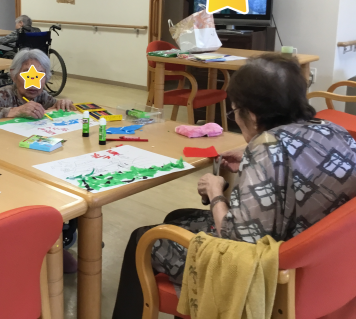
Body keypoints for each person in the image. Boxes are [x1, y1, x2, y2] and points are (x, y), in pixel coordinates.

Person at [112, 54, 356, 318]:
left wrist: (216, 192)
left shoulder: (267, 149)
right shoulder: (333, 129)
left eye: (234, 111)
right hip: (322, 259)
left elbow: (236, 242)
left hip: (271, 272)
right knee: (177, 217)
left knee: (143, 239)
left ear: (251, 114)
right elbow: (301, 168)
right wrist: (254, 161)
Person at [0, 48, 74, 122]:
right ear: (14, 76)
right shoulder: (5, 94)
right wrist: (17, 111)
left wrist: (63, 103)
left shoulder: (42, 96)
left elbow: (55, 106)